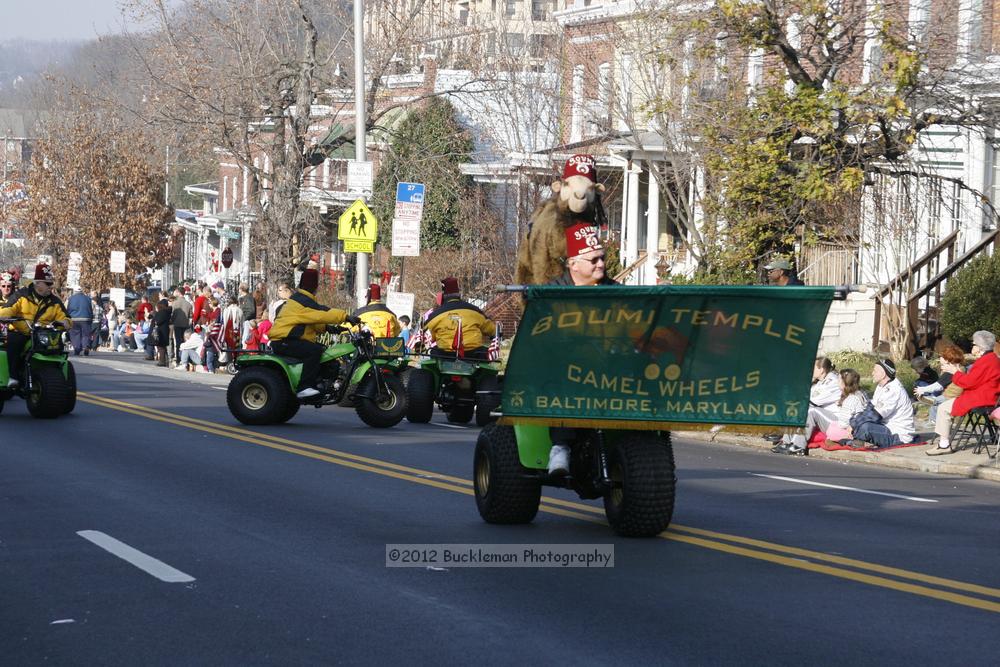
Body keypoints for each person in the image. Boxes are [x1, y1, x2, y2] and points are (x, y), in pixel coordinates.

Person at [544, 223, 617, 475]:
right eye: (594, 259)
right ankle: (560, 447)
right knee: (564, 380)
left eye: (602, 258)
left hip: (610, 366)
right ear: (573, 264)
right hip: (565, 367)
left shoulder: (616, 292)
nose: (601, 264)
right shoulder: (552, 294)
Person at [268, 268, 357, 398]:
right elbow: (322, 313)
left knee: (322, 349)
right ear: (314, 286)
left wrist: (334, 329)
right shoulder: (303, 301)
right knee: (314, 351)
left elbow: (311, 321)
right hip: (285, 340)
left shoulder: (300, 299)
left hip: (287, 340)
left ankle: (319, 383)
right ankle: (304, 387)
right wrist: (346, 317)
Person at [926, 331, 1000, 456]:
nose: (973, 346)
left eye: (974, 344)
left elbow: (969, 382)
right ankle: (943, 443)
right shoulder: (992, 359)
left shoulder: (985, 361)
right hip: (989, 397)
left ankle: (944, 445)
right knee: (946, 405)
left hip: (981, 398)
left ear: (980, 347)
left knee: (943, 408)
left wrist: (955, 372)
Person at [0, 263, 71, 387]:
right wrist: (4, 315)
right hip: (21, 332)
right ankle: (12, 376)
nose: (51, 286)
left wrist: (66, 322)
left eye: (51, 283)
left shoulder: (55, 301)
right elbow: (8, 308)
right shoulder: (22, 295)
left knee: (58, 348)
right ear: (38, 283)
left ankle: (61, 377)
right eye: (47, 283)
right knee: (14, 343)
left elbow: (66, 317)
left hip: (43, 334)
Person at [773, 356, 842, 455]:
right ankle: (785, 441)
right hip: (824, 418)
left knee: (810, 411)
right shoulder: (821, 381)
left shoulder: (832, 381)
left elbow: (813, 400)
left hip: (837, 421)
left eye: (813, 367)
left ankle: (797, 446)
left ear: (821, 369)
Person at [847, 359, 915, 449]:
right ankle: (857, 439)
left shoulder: (893, 390)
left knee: (865, 428)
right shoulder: (881, 386)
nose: (872, 373)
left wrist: (854, 425)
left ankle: (855, 439)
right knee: (856, 420)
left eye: (875, 370)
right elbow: (869, 408)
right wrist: (853, 422)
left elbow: (875, 416)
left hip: (898, 435)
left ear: (883, 374)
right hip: (885, 427)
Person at [423, 277, 496, 360]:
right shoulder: (475, 311)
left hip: (444, 356)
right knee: (485, 353)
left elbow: (425, 334)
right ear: (459, 294)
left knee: (433, 351)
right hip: (474, 356)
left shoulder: (435, 315)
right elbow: (493, 330)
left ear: (443, 295)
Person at [914, 344, 965, 424]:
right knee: (935, 406)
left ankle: (934, 408)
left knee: (937, 402)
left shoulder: (951, 371)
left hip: (951, 396)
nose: (940, 359)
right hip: (954, 395)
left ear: (948, 360)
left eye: (942, 357)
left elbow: (938, 386)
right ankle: (933, 414)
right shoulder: (960, 368)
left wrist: (922, 389)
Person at [823, 369, 871, 444]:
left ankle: (851, 440)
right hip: (861, 425)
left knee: (831, 430)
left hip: (854, 429)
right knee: (833, 425)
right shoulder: (861, 392)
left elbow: (843, 424)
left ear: (844, 383)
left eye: (839, 380)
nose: (837, 382)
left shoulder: (850, 399)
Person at [66, 286, 94, 356]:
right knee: (86, 334)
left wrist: (67, 317)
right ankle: (85, 346)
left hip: (74, 318)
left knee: (75, 334)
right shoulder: (88, 298)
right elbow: (91, 309)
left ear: (74, 291)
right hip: (86, 318)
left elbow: (68, 309)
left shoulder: (70, 298)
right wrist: (91, 317)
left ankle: (77, 348)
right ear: (81, 291)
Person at [170, 287, 193, 366]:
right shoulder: (188, 304)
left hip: (177, 324)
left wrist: (172, 321)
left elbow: (172, 315)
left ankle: (179, 359)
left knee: (178, 342)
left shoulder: (175, 303)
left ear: (179, 292)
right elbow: (190, 316)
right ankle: (185, 359)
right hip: (185, 325)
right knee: (185, 342)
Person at [153, 298, 172, 366]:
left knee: (161, 346)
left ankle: (162, 361)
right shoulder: (167, 311)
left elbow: (158, 321)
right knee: (162, 346)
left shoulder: (163, 312)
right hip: (164, 330)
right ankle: (165, 360)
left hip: (162, 331)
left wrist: (155, 316)